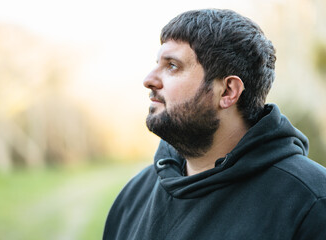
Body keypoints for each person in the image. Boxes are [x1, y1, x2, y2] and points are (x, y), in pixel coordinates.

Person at [103, 9, 326, 240]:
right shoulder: (134, 195)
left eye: (172, 66)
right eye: (157, 63)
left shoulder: (312, 201)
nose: (149, 79)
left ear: (228, 91)